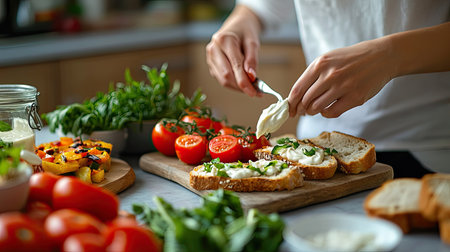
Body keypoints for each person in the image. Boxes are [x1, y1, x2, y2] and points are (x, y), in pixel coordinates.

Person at [205, 0, 450, 178]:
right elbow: (261, 7)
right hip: (316, 147)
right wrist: (239, 23)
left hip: (431, 148)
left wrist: (390, 56)